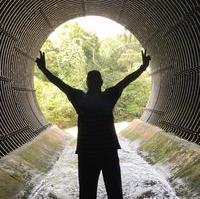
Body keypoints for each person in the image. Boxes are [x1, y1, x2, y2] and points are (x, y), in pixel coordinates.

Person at [35, 49, 151, 199]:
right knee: (115, 193)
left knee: (87, 194)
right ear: (101, 82)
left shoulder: (78, 98)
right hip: (109, 151)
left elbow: (59, 83)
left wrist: (44, 69)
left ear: (87, 83)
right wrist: (142, 67)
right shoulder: (109, 96)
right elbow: (126, 81)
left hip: (86, 153)